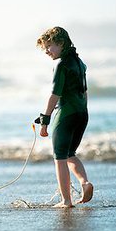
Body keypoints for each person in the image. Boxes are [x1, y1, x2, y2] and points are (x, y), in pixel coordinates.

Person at [34, 26, 93, 208]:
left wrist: (45, 120)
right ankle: (84, 182)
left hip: (66, 115)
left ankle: (66, 200)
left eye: (49, 46)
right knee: (70, 155)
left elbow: (54, 95)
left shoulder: (61, 65)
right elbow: (85, 92)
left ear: (61, 43)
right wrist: (82, 111)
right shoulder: (79, 62)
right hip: (82, 114)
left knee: (59, 157)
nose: (46, 51)